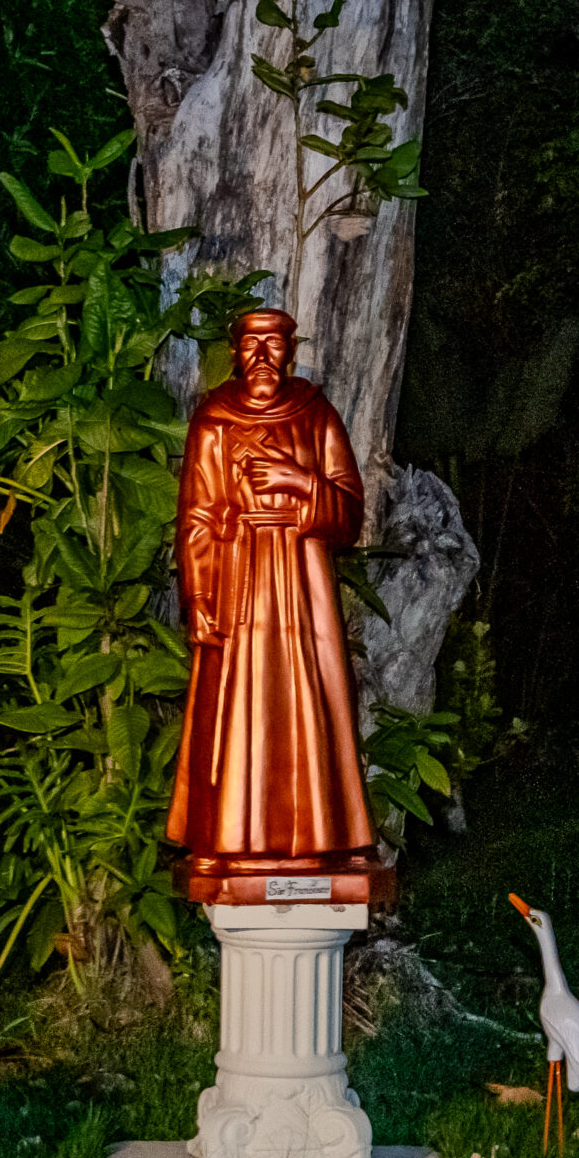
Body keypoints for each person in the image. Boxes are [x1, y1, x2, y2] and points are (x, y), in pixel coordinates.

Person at [166, 309, 375, 865]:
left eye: (274, 343)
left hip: (304, 579)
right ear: (236, 353)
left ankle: (320, 838)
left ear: (290, 350)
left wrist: (300, 480)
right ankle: (227, 836)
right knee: (236, 704)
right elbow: (197, 515)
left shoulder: (316, 415)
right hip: (236, 577)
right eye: (251, 343)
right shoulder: (214, 421)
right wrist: (198, 598)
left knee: (309, 698)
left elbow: (350, 512)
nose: (262, 355)